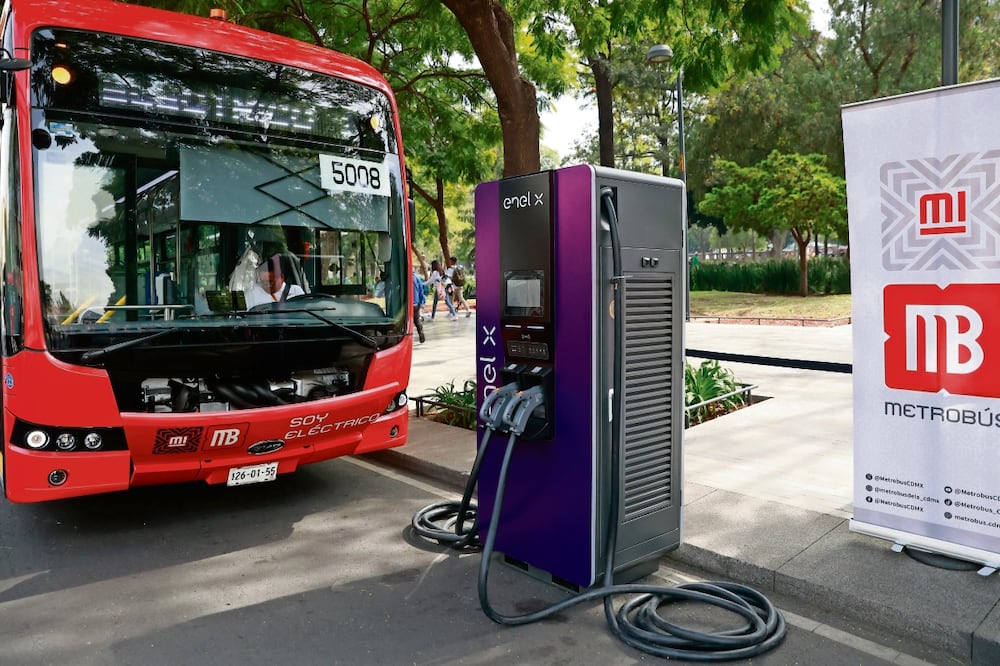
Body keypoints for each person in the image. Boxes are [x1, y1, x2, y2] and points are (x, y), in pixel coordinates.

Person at [412, 269, 426, 343]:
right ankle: (421, 333)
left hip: (408, 303)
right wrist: (422, 302)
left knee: (407, 321)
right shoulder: (417, 278)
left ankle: (409, 337)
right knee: (416, 320)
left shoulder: (405, 277)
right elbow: (421, 291)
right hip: (416, 303)